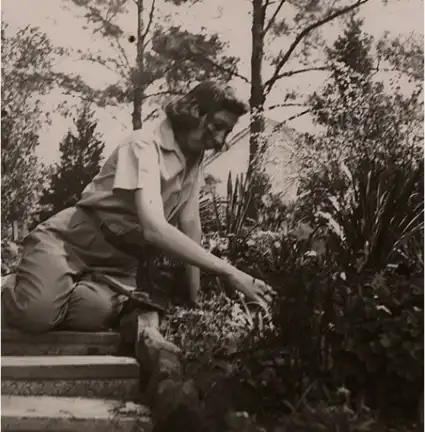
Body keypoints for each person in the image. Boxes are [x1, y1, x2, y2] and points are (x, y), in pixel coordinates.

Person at [1, 81, 273, 334]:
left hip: (117, 265)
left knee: (91, 314)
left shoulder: (194, 157)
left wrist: (195, 304)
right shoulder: (143, 144)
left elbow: (191, 226)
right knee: (37, 314)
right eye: (217, 126)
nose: (220, 140)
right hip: (71, 241)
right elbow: (154, 228)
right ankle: (14, 286)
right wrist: (231, 272)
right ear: (194, 112)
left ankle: (46, 287)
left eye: (226, 131)